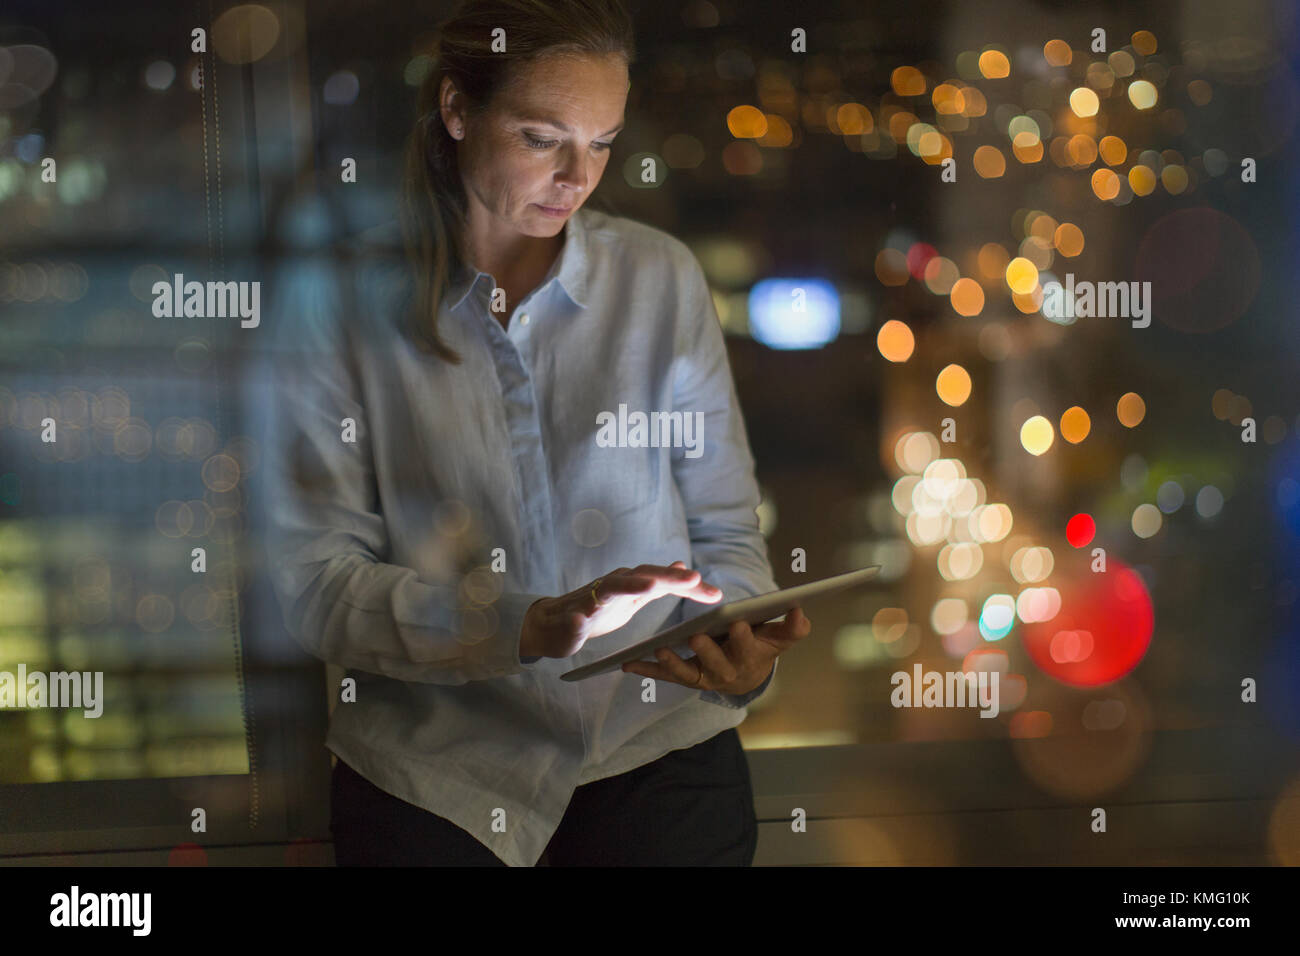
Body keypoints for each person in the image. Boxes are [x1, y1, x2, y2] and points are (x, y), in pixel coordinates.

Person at [258, 0, 811, 866]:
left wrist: (741, 651)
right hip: (437, 784)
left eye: (600, 143)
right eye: (541, 138)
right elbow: (316, 586)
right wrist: (521, 626)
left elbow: (727, 535)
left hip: (658, 759)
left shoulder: (659, 278)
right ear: (456, 110)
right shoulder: (339, 303)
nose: (576, 178)